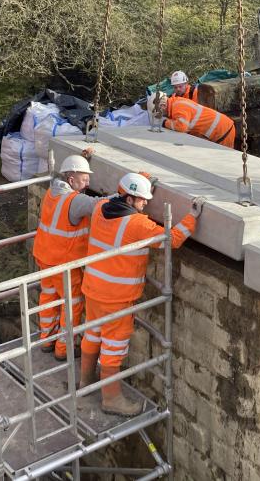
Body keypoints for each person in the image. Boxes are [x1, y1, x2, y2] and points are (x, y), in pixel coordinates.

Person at [79, 172, 206, 415]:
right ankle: (111, 398)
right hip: (117, 298)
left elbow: (118, 189)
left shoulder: (101, 207)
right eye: (141, 200)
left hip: (93, 289)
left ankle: (85, 382)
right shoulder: (138, 225)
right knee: (113, 348)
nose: (145, 203)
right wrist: (193, 216)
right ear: (128, 199)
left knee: (92, 333)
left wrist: (142, 178)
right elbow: (173, 239)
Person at [32, 150, 105, 360]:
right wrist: (126, 193)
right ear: (71, 179)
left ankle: (47, 340)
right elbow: (100, 206)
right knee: (71, 305)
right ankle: (64, 349)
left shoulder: (53, 189)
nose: (88, 182)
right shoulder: (76, 201)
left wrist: (82, 159)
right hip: (64, 263)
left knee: (48, 298)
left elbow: (61, 174)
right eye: (84, 178)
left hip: (45, 257)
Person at [148, 91, 235, 149]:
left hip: (223, 131)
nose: (161, 115)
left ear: (163, 106)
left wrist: (165, 123)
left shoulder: (177, 107)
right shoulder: (175, 104)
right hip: (221, 129)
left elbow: (181, 127)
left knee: (224, 160)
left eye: (159, 113)